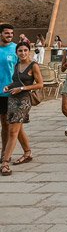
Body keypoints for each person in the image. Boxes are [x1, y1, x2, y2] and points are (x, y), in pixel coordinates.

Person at [1, 42, 43, 176]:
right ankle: (27, 153)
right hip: (12, 99)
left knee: (12, 131)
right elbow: (17, 81)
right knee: (18, 130)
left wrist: (22, 88)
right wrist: (9, 86)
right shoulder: (16, 65)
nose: (23, 53)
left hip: (24, 100)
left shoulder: (33, 65)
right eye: (20, 51)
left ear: (29, 51)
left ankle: (5, 162)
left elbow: (40, 84)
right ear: (16, 52)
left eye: (25, 50)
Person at [0, 24, 18, 164]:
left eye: (11, 33)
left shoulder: (15, 49)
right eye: (7, 33)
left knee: (6, 123)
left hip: (9, 92)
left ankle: (5, 152)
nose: (10, 35)